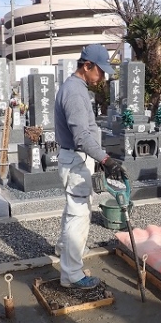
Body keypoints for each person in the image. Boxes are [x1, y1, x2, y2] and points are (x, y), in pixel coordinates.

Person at [54, 44, 126, 289]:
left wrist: (100, 159)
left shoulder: (76, 87)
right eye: (101, 71)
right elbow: (81, 137)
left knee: (73, 210)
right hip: (75, 159)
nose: (103, 77)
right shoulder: (74, 92)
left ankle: (66, 256)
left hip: (76, 158)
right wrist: (106, 160)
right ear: (87, 66)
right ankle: (72, 275)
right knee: (79, 215)